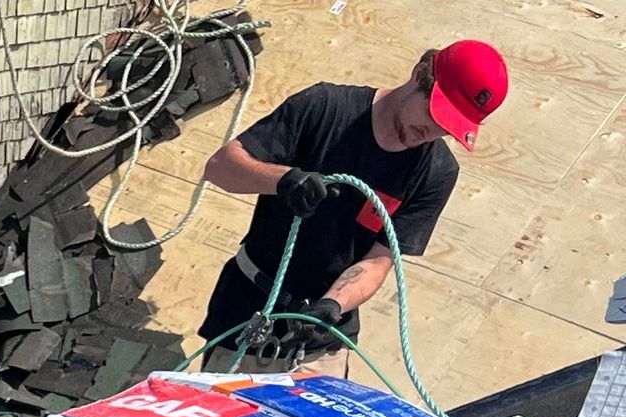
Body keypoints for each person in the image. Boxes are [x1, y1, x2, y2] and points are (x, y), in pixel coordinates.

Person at [195, 39, 508, 372]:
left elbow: (379, 259)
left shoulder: (436, 172)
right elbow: (221, 167)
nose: (431, 132)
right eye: (435, 114)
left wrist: (334, 304)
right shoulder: (325, 107)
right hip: (250, 314)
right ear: (419, 75)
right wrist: (284, 181)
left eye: (448, 128)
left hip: (322, 336)